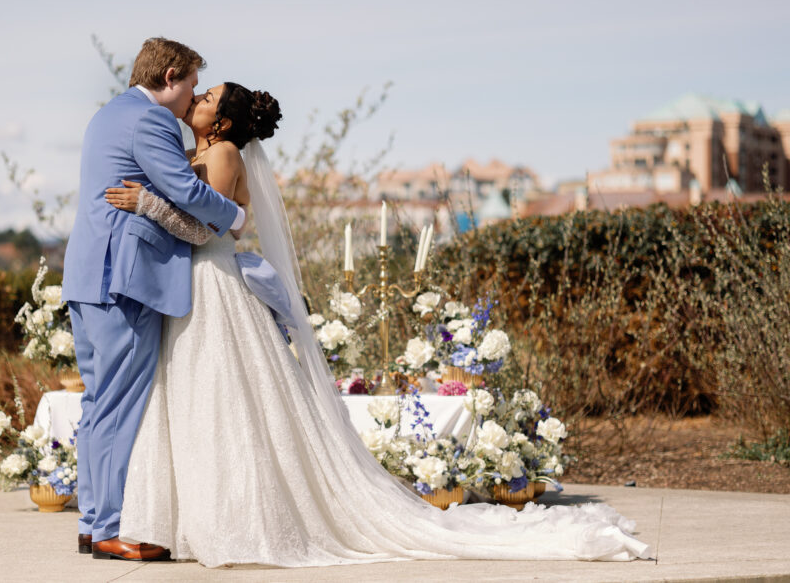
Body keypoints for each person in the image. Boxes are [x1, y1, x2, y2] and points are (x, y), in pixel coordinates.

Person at [104, 82, 652, 568]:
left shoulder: (222, 154)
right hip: (197, 287)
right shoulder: (195, 152)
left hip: (217, 286)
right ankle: (193, 519)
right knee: (201, 400)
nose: (196, 101)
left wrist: (145, 204)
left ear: (222, 122)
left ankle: (235, 519)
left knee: (226, 402)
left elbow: (203, 231)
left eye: (206, 98)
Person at [61, 38, 246, 561]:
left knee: (98, 404)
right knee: (120, 407)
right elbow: (185, 192)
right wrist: (235, 216)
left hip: (86, 275)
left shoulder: (107, 115)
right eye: (191, 84)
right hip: (125, 278)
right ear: (170, 75)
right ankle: (111, 529)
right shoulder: (152, 121)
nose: (192, 98)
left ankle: (92, 520)